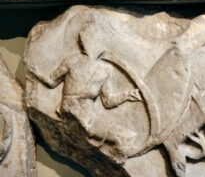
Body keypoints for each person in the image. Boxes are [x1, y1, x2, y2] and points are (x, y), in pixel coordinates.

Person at [31, 27, 142, 164]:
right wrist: (35, 72)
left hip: (89, 113)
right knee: (125, 138)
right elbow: (51, 81)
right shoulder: (72, 61)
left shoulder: (106, 69)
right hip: (73, 111)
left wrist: (127, 95)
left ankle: (111, 160)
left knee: (128, 137)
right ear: (87, 42)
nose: (101, 44)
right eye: (99, 40)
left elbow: (108, 102)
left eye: (101, 41)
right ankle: (110, 158)